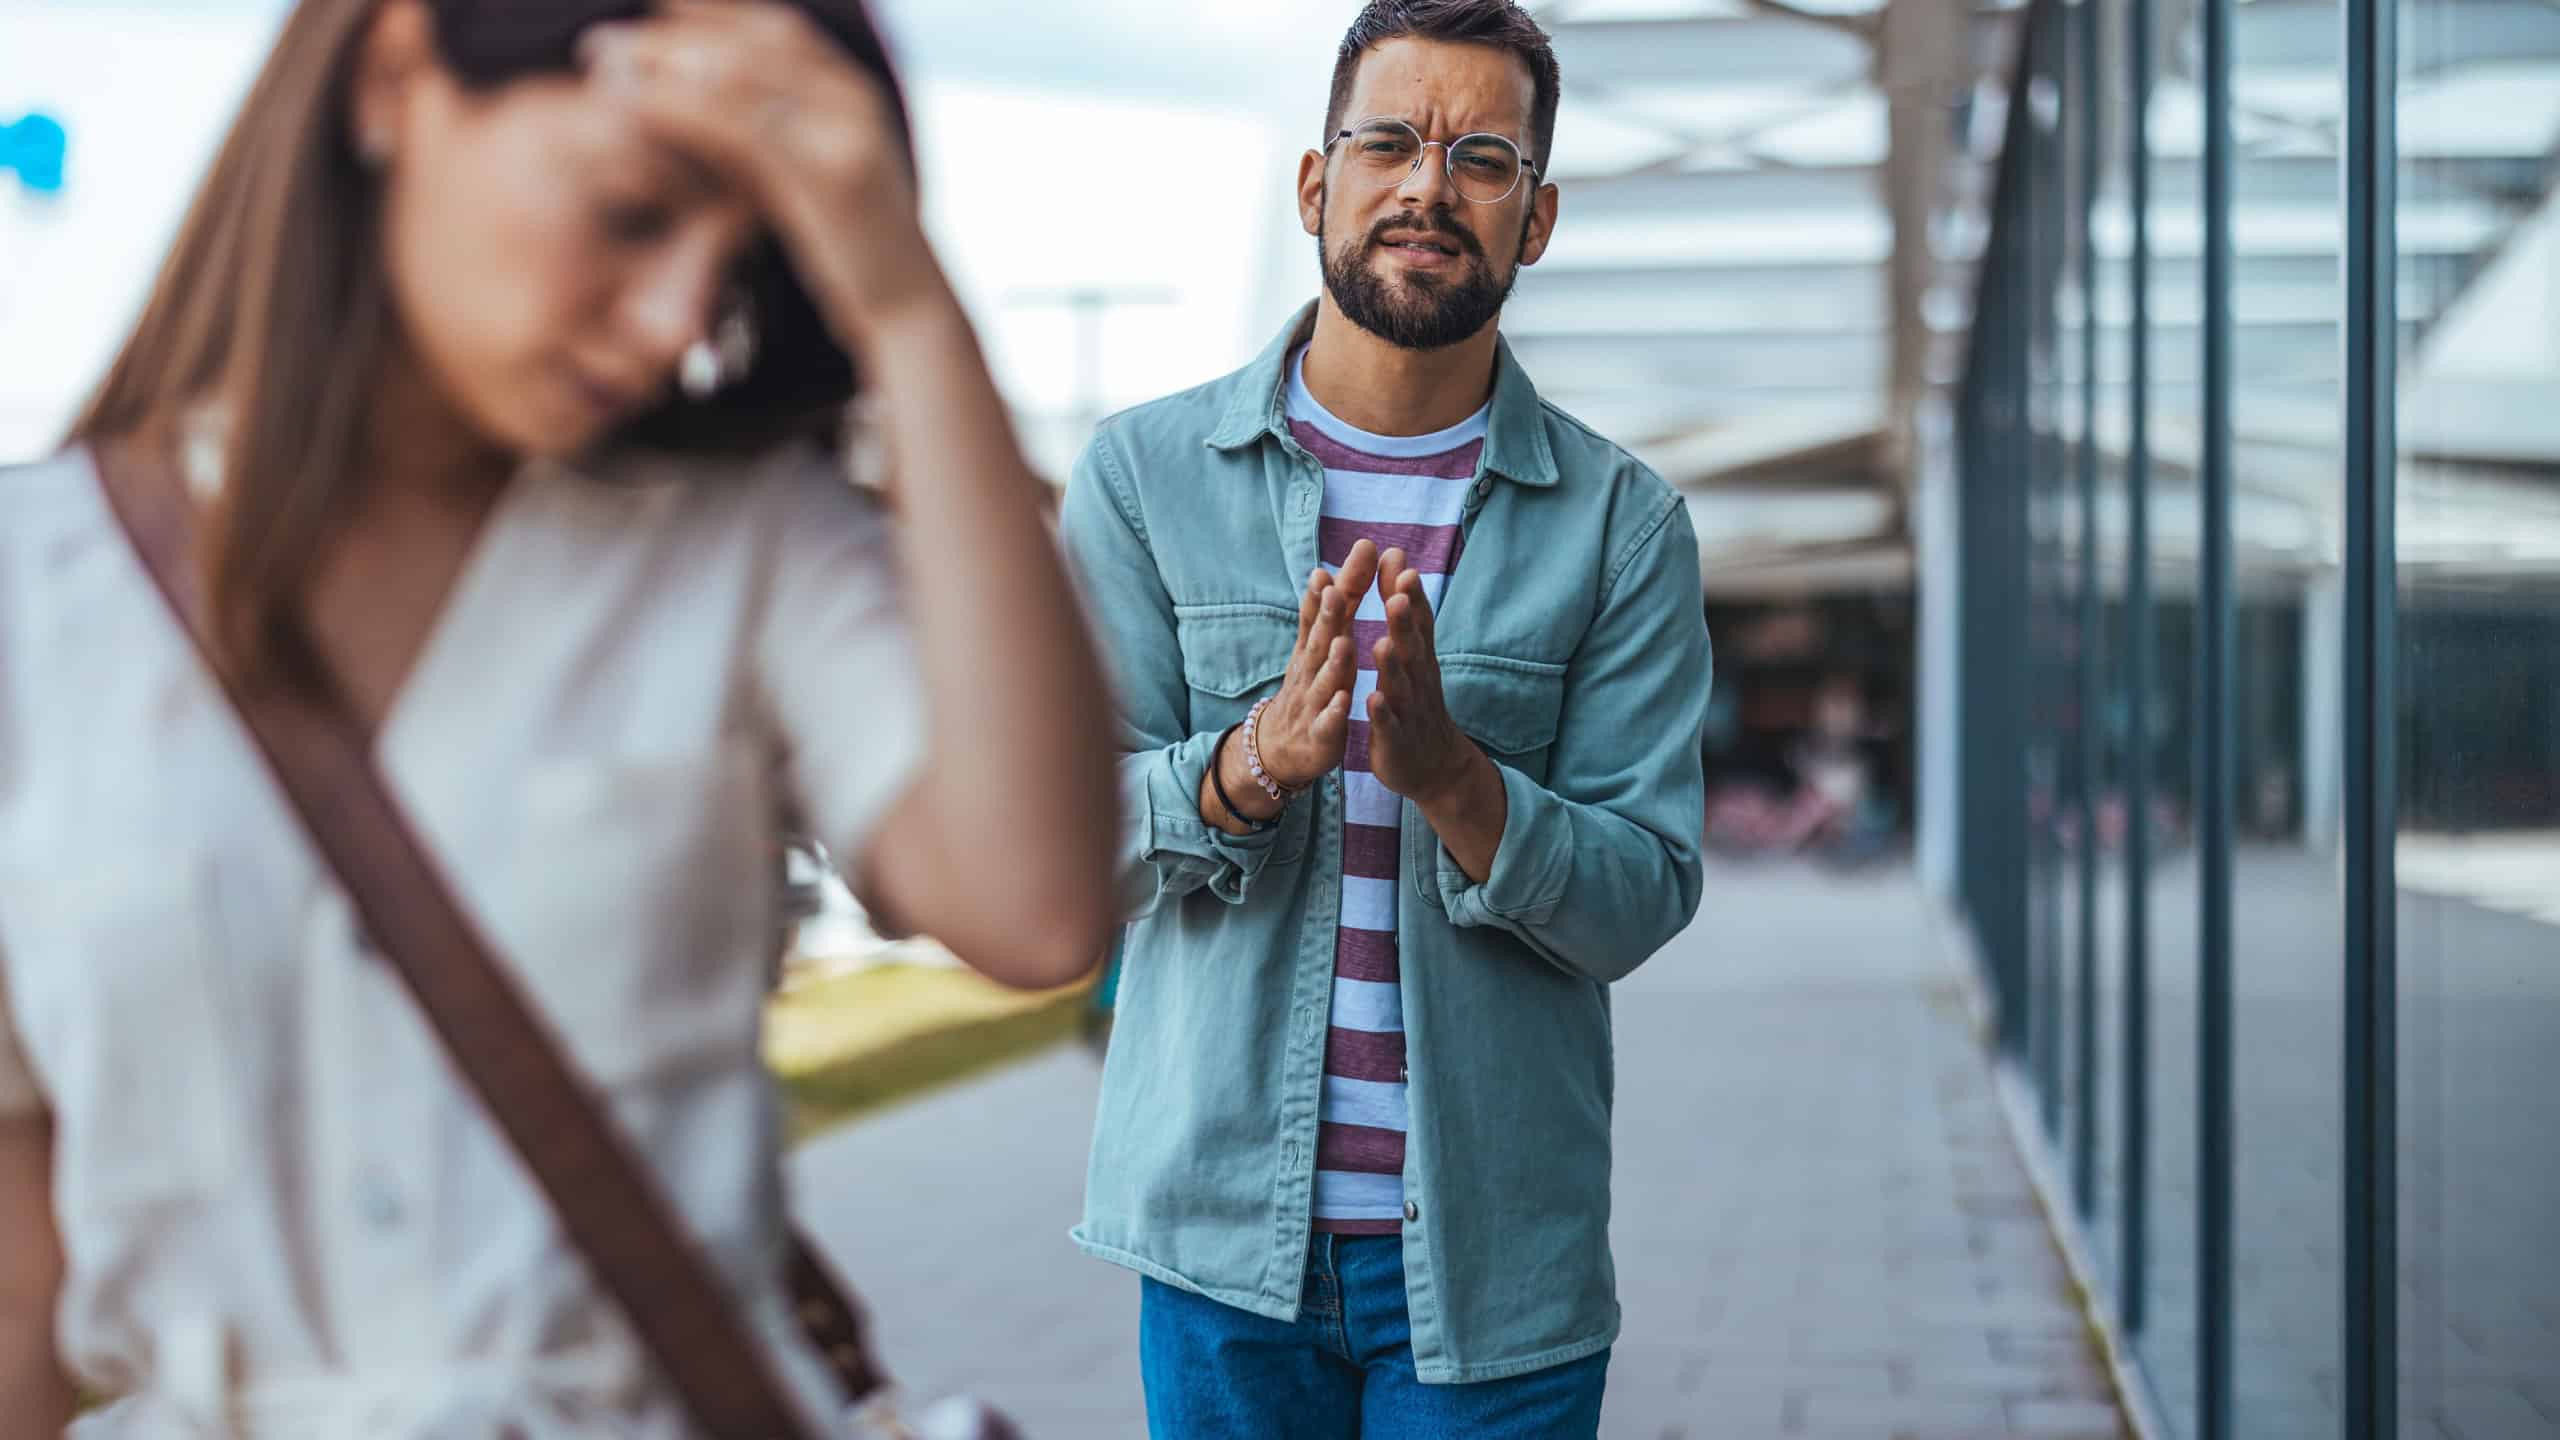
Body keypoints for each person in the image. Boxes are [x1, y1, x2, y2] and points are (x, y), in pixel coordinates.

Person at [0, 1, 1117, 1432]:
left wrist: (905, 307)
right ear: (392, 75)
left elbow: (1033, 908)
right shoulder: (35, 600)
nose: (675, 325)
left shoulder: (745, 545)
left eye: (739, 271)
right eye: (633, 212)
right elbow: (20, 1298)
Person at [1057, 2, 1713, 1433]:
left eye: (1483, 158)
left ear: (1537, 219)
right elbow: (1060, 847)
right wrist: (1244, 770)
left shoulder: (1623, 528)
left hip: (1494, 1270)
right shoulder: (1144, 479)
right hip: (1222, 1256)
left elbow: (1645, 893)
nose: (1430, 185)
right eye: (1390, 142)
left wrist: (1459, 782)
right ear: (1316, 184)